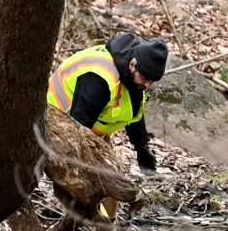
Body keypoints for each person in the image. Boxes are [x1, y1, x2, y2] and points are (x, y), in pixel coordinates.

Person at [47, 31, 170, 173]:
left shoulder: (133, 78)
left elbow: (133, 113)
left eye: (152, 81)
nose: (147, 85)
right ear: (132, 64)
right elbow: (79, 126)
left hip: (83, 126)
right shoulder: (100, 77)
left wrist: (142, 149)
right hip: (53, 120)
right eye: (144, 78)